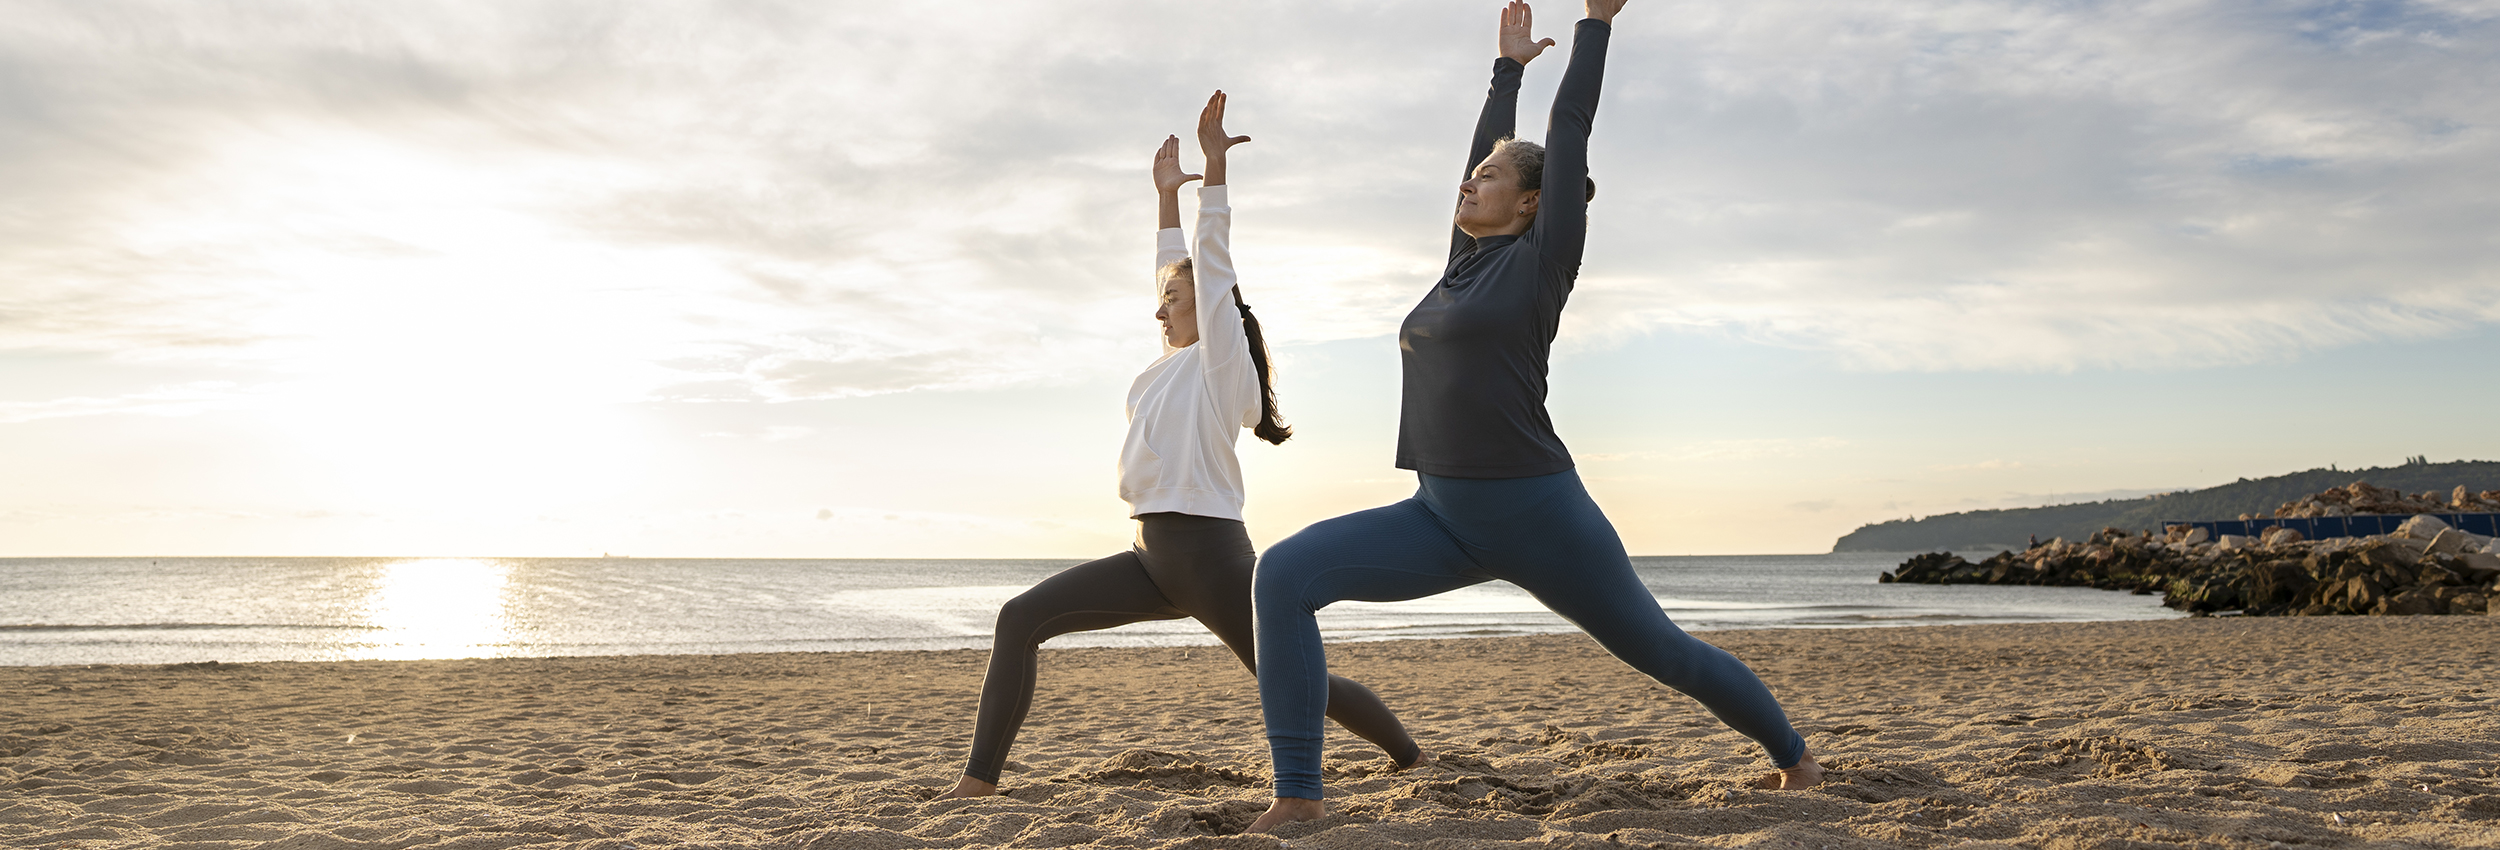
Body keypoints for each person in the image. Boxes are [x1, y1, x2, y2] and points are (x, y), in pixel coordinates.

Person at [1244, 1, 1821, 832]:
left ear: (1531, 205)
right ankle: (1298, 796)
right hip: (1440, 515)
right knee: (1283, 575)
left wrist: (1595, 23)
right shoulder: (1459, 266)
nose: (1469, 181)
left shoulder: (1544, 260)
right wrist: (1505, 68)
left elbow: (1571, 124)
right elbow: (1489, 150)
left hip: (1540, 514)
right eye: (1471, 172)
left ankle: (1795, 758)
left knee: (1663, 653)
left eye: (1490, 178)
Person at [935, 91, 1423, 801]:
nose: (1160, 307)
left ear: (1213, 311)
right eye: (1161, 299)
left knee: (1295, 681)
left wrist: (1214, 173)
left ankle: (1410, 757)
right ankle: (977, 785)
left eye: (1174, 300)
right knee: (1019, 619)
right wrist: (1165, 198)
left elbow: (1210, 263)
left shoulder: (1220, 363)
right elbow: (1176, 268)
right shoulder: (1167, 363)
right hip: (1150, 555)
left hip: (1209, 555)